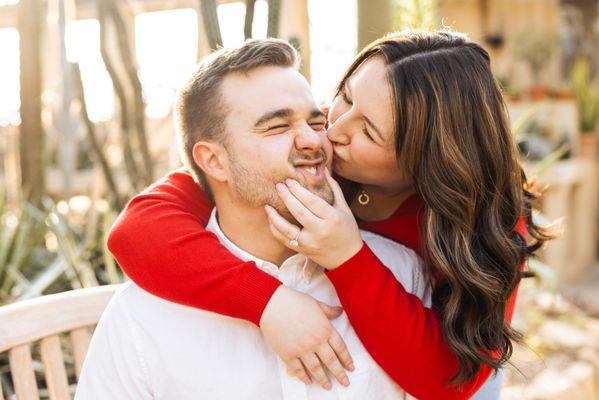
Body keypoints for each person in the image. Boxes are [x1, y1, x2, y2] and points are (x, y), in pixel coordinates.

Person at [106, 30, 555, 399]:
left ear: (423, 162)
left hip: (454, 364)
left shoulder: (486, 222)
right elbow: (139, 230)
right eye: (343, 98)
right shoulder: (300, 153)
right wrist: (266, 301)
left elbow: (446, 379)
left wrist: (348, 257)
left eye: (368, 131)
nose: (331, 131)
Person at [76, 38, 432, 400]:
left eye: (315, 121)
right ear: (214, 161)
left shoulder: (403, 273)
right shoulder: (142, 318)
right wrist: (263, 300)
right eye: (277, 127)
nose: (314, 140)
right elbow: (136, 227)